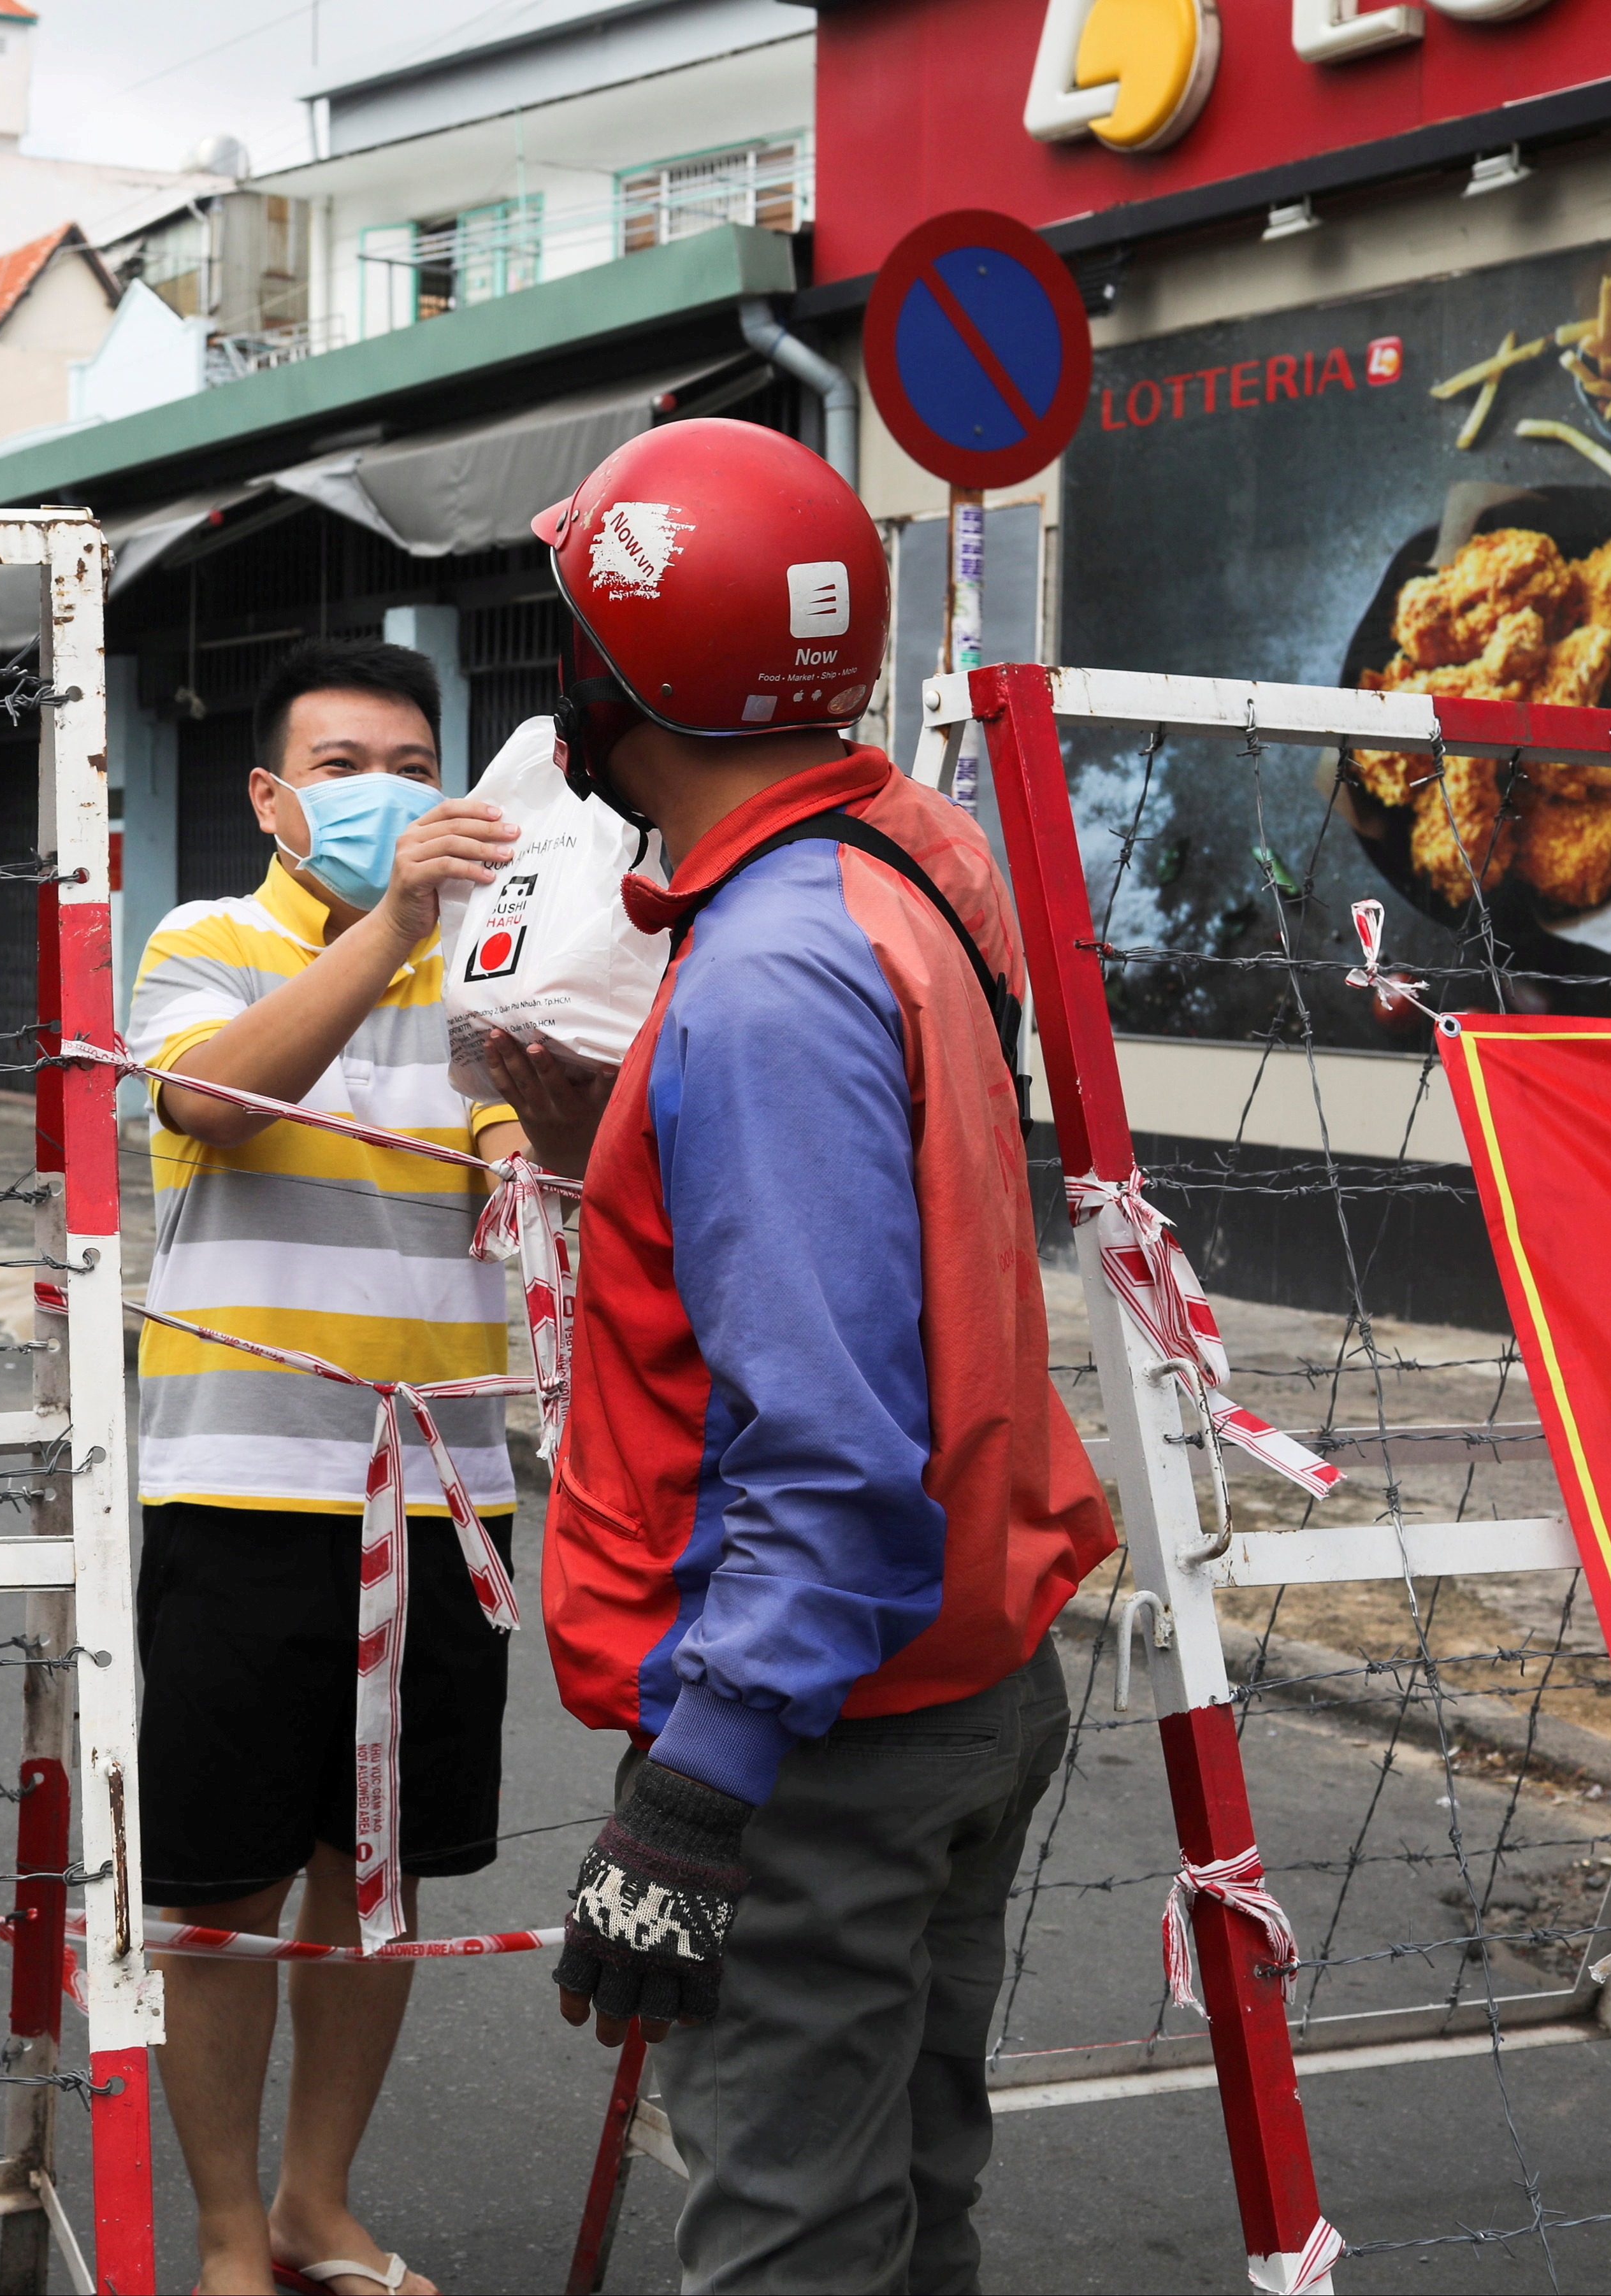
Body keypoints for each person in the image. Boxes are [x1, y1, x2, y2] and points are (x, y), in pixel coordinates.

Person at [530, 420, 1119, 2292]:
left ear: (622, 686)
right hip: (962, 1670)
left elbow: (825, 1444)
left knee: (791, 2238)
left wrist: (695, 1793)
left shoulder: (771, 976)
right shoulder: (904, 865)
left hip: (820, 1733)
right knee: (901, 2199)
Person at [128, 636, 607, 2296]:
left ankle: (316, 2202)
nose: (386, 788)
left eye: (415, 759)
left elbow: (542, 1178)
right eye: (343, 765)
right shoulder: (202, 943)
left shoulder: (491, 962)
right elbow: (211, 1102)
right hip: (237, 1495)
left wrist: (550, 1109)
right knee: (223, 1888)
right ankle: (217, 2231)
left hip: (439, 1508)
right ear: (268, 797)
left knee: (375, 1882)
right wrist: (390, 924)